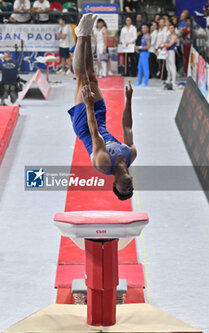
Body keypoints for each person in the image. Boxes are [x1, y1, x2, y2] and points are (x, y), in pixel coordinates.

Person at [70, 14, 136, 200]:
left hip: (86, 125)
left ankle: (80, 35)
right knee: (92, 76)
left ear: (114, 185)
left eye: (122, 190)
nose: (127, 187)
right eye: (129, 189)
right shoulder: (131, 154)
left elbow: (94, 133)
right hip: (100, 122)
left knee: (82, 79)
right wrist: (128, 99)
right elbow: (128, 127)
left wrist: (89, 105)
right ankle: (88, 34)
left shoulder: (104, 164)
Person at [164, 23, 178, 89]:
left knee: (172, 65)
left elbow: (169, 44)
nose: (171, 29)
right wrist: (166, 44)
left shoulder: (174, 36)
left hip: (171, 51)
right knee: (167, 66)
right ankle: (168, 79)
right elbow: (165, 42)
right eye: (170, 28)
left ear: (174, 29)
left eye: (172, 28)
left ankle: (173, 80)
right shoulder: (169, 35)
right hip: (167, 51)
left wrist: (166, 44)